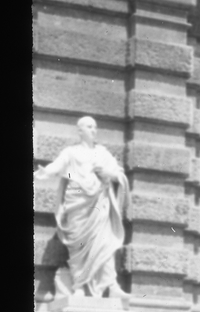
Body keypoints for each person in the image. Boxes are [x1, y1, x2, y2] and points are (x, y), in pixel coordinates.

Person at [34, 116, 131, 300]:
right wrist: (45, 172)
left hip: (99, 203)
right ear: (80, 131)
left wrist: (107, 173)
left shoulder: (102, 153)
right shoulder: (71, 153)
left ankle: (111, 285)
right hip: (77, 203)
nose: (94, 130)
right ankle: (79, 285)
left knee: (104, 242)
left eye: (95, 127)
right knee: (78, 246)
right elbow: (57, 166)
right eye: (89, 127)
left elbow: (118, 175)